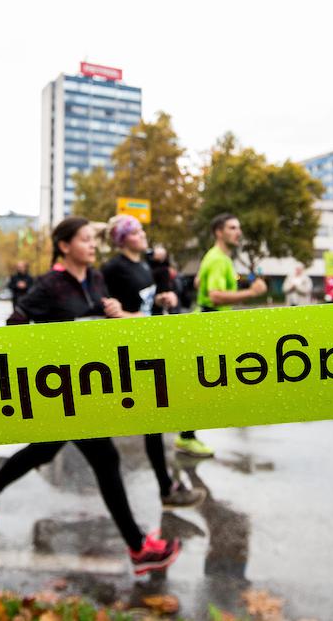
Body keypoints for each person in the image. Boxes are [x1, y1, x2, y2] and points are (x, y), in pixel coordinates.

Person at [0, 217, 181, 575]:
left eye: (94, 240)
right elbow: (15, 326)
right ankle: (138, 547)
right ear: (64, 246)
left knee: (46, 448)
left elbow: (92, 319)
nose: (92, 246)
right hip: (60, 388)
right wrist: (45, 351)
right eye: (84, 240)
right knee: (106, 459)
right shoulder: (50, 285)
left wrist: (111, 313)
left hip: (85, 387)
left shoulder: (95, 279)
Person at [102, 215, 203, 509]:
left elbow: (140, 302)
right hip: (129, 353)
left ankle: (167, 486)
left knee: (155, 421)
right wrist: (130, 316)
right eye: (136, 231)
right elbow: (109, 311)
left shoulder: (142, 265)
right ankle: (167, 488)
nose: (144, 234)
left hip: (148, 347)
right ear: (123, 239)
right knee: (153, 420)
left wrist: (161, 300)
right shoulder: (113, 268)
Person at [178, 213, 268, 458]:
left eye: (239, 227)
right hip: (209, 321)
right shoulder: (219, 259)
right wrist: (251, 292)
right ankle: (186, 437)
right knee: (200, 384)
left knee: (203, 382)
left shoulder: (216, 258)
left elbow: (199, 283)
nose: (238, 232)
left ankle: (186, 435)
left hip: (210, 320)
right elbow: (215, 295)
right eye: (232, 228)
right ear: (219, 232)